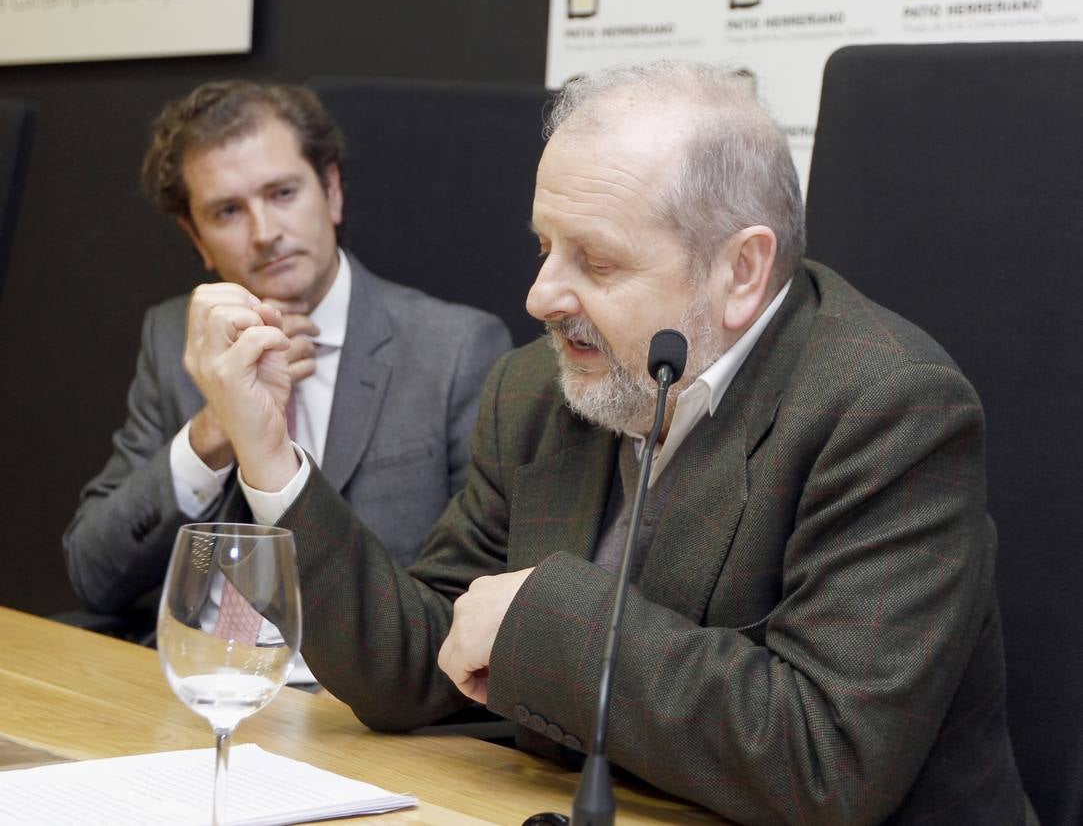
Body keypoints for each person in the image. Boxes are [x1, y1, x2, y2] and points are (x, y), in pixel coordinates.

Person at [186, 61, 1031, 822]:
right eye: (543, 245)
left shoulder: (886, 408)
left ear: (740, 272)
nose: (540, 294)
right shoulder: (536, 389)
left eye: (594, 261)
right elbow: (414, 667)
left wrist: (539, 621)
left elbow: (828, 760)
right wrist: (269, 455)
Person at [63, 81, 513, 633]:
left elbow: (478, 599)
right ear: (196, 237)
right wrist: (213, 433)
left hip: (358, 697)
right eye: (228, 211)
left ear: (332, 190)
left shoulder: (453, 350)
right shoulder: (178, 337)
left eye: (282, 193)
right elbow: (94, 574)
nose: (265, 233)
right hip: (203, 671)